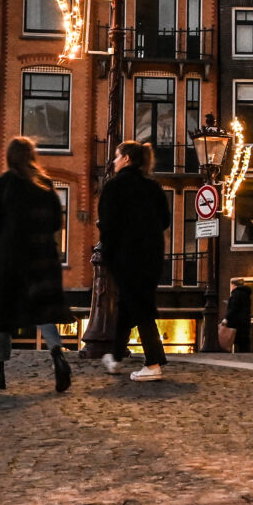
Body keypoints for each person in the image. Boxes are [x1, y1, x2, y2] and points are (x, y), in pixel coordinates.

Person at [0, 137, 76, 392]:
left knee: (3, 314)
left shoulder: (2, 185)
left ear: (9, 158)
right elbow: (58, 222)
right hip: (43, 258)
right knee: (44, 310)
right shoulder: (45, 185)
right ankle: (57, 355)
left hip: (12, 258)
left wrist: (5, 239)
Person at [98, 141, 173, 381]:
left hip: (126, 256)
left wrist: (109, 255)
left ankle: (153, 363)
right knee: (129, 305)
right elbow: (165, 220)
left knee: (140, 308)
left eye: (117, 156)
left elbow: (107, 225)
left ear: (127, 159)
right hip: (151, 257)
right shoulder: (153, 187)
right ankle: (117, 357)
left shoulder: (114, 187)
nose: (113, 161)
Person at [220, 277, 253, 353]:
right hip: (245, 322)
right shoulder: (246, 294)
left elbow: (234, 308)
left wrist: (226, 318)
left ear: (234, 285)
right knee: (244, 343)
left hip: (236, 323)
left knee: (232, 339)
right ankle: (246, 358)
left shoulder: (236, 294)